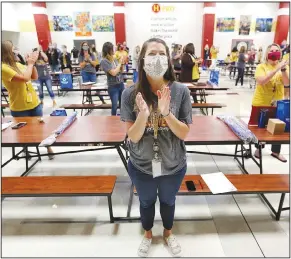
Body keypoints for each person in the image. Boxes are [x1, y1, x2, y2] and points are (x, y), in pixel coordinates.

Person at [120, 38, 192, 258]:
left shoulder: (180, 92)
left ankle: (168, 233)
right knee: (146, 201)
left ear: (169, 59)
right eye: (152, 53)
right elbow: (132, 137)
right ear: (142, 59)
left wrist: (166, 113)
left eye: (162, 53)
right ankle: (148, 234)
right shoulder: (130, 94)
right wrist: (143, 115)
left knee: (169, 201)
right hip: (141, 165)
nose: (157, 58)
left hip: (173, 164)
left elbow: (184, 133)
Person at [1, 41, 54, 159]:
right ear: (7, 52)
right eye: (14, 49)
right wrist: (29, 64)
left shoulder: (18, 64)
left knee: (41, 128)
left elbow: (34, 77)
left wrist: (32, 63)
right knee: (23, 132)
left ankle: (48, 147)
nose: (16, 51)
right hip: (19, 106)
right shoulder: (3, 68)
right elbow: (25, 78)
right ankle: (25, 150)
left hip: (34, 103)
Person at [249, 43, 289, 162]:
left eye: (277, 50)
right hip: (261, 101)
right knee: (260, 127)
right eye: (271, 50)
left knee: (278, 127)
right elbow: (262, 81)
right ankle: (258, 149)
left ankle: (276, 151)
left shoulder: (284, 67)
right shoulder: (261, 67)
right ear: (267, 53)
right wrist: (276, 69)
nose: (274, 52)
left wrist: (282, 69)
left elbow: (287, 83)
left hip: (278, 103)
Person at [100, 42, 125, 115]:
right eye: (112, 48)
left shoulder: (114, 59)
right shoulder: (104, 61)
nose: (114, 50)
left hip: (120, 84)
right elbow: (113, 73)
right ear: (108, 50)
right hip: (113, 86)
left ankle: (122, 118)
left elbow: (121, 70)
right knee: (114, 105)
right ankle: (113, 121)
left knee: (122, 104)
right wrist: (120, 63)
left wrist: (122, 63)